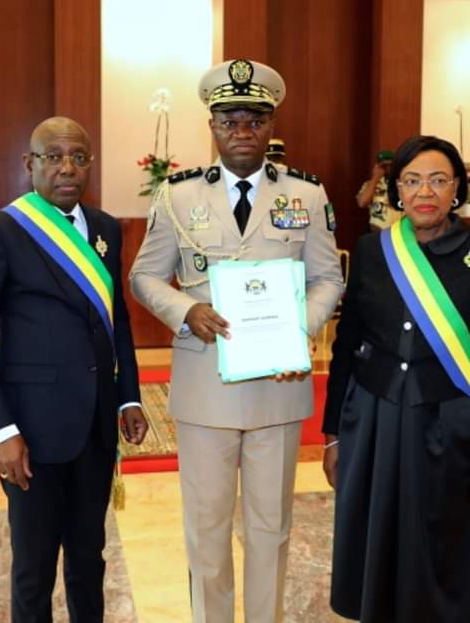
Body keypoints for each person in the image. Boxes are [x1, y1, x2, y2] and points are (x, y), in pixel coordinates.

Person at [129, 59, 344, 623]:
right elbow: (144, 276)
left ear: (271, 125)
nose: (242, 131)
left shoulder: (306, 193)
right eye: (230, 120)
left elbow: (328, 278)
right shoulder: (177, 195)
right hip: (206, 389)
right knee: (206, 530)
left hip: (278, 386)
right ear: (213, 127)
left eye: (254, 120)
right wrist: (186, 309)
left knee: (272, 529)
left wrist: (300, 328)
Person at [0, 116, 149, 623]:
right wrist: (0, 431)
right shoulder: (0, 232)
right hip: (30, 433)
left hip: (95, 427)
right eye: (54, 156)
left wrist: (128, 395)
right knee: (34, 569)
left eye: (79, 157)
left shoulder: (105, 229)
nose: (68, 168)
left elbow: (116, 318)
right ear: (30, 164)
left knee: (89, 560)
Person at [322, 135, 470, 622]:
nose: (425, 192)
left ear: (457, 188)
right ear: (397, 190)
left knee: (447, 551)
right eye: (412, 181)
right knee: (381, 545)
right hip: (375, 422)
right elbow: (346, 345)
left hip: (451, 429)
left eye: (438, 180)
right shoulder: (373, 250)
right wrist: (333, 436)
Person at [356, 149, 401, 232]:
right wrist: (375, 178)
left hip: (398, 231)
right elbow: (362, 203)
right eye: (383, 166)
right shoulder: (370, 184)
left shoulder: (402, 183)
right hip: (376, 232)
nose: (387, 169)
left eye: (390, 165)